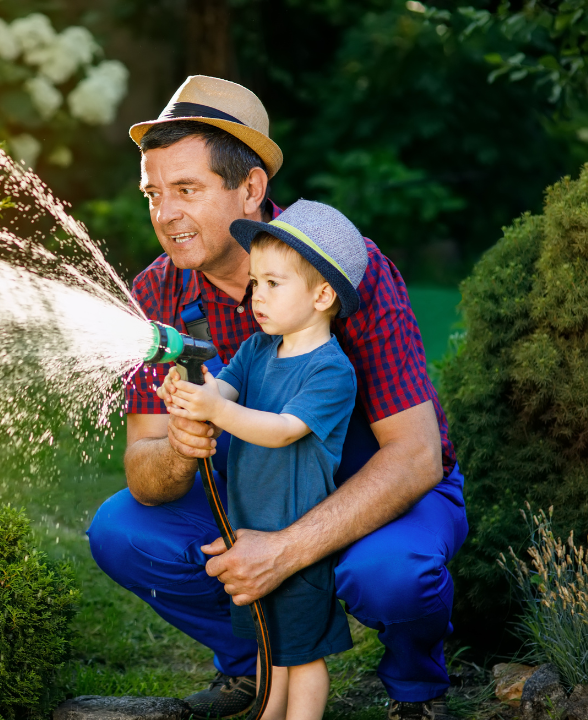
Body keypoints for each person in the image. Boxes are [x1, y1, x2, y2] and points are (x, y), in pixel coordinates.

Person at [86, 75, 469, 720]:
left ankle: (413, 686)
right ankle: (252, 663)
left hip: (370, 483)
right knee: (123, 530)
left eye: (187, 190)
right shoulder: (157, 299)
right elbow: (145, 475)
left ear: (252, 189)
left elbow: (414, 457)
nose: (165, 214)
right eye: (154, 193)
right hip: (255, 493)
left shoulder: (346, 271)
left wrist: (284, 551)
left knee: (392, 573)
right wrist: (181, 447)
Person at [159, 199, 368, 720]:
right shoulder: (256, 349)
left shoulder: (330, 371)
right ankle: (268, 711)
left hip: (295, 537)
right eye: (255, 282)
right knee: (267, 640)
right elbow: (222, 392)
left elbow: (280, 431)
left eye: (274, 284)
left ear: (322, 295)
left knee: (304, 651)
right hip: (250, 531)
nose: (257, 296)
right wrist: (190, 395)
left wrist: (215, 409)